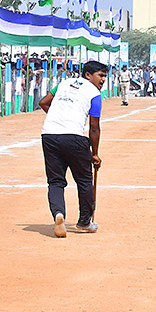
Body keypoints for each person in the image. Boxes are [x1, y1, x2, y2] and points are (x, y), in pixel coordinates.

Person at [38, 60, 107, 238]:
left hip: (50, 135)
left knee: (55, 181)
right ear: (88, 75)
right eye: (100, 75)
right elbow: (94, 127)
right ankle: (84, 222)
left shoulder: (63, 83)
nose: (103, 80)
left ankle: (58, 214)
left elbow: (44, 103)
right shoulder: (94, 93)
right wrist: (95, 153)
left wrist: (59, 117)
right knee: (84, 180)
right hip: (74, 138)